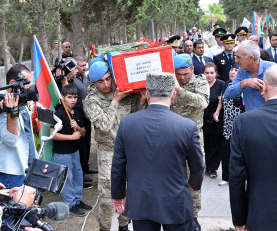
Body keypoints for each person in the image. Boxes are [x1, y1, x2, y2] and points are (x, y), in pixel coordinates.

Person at [111, 72, 204, 231]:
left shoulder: (127, 123)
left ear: (147, 94)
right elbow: (198, 166)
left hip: (141, 201)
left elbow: (118, 165)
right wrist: (193, 185)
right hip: (176, 201)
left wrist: (118, 195)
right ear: (173, 95)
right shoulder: (187, 126)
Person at [229, 64, 277, 231]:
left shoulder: (243, 122)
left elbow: (236, 176)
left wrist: (239, 219)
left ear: (263, 87)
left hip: (259, 215)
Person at [84, 61, 145, 231]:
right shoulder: (91, 101)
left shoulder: (125, 92)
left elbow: (137, 118)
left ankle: (124, 224)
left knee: (129, 190)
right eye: (101, 82)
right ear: (93, 84)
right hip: (108, 152)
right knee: (107, 197)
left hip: (129, 150)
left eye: (108, 79)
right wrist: (116, 101)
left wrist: (141, 101)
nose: (106, 84)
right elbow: (103, 125)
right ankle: (104, 227)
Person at [171, 54, 209, 231]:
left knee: (195, 176)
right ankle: (174, 212)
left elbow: (202, 102)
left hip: (193, 137)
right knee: (172, 176)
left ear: (192, 70)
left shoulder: (200, 82)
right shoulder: (168, 81)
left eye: (185, 74)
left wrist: (180, 90)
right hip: (171, 136)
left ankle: (194, 216)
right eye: (178, 74)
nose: (182, 77)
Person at [0, 64, 37, 188]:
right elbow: (11, 140)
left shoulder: (21, 99)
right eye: (26, 83)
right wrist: (11, 112)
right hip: (11, 173)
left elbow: (27, 133)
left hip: (28, 167)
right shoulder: (0, 104)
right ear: (13, 83)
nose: (29, 87)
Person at [224, 40, 277, 111]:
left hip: (272, 122)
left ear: (251, 58)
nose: (236, 61)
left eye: (239, 57)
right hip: (252, 121)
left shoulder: (273, 68)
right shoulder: (242, 72)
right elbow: (227, 94)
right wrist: (244, 83)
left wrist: (272, 86)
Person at [51, 84, 92, 216]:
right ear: (63, 98)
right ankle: (70, 203)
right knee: (67, 178)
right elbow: (53, 134)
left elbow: (84, 133)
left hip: (75, 151)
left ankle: (78, 200)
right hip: (62, 153)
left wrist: (78, 127)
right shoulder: (59, 113)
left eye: (75, 97)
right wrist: (71, 136)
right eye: (69, 97)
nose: (73, 100)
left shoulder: (77, 113)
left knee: (78, 175)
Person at [73, 55, 98, 177]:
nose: (84, 68)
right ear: (75, 66)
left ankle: (86, 166)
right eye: (81, 66)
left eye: (85, 65)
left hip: (87, 115)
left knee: (87, 141)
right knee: (80, 143)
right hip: (78, 115)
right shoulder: (72, 80)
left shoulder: (86, 78)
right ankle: (80, 170)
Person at [219, 63, 244, 187]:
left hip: (240, 124)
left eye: (236, 70)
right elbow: (221, 100)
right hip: (227, 123)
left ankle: (239, 178)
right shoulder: (226, 84)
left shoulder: (243, 85)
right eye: (231, 69)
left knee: (239, 152)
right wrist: (217, 111)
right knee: (225, 151)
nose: (232, 72)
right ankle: (226, 177)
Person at [202, 63, 224, 179]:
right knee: (205, 144)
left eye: (212, 73)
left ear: (216, 73)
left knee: (215, 145)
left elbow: (224, 100)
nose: (209, 75)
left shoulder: (221, 84)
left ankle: (212, 168)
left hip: (215, 120)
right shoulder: (200, 84)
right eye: (207, 73)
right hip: (202, 119)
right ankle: (205, 165)